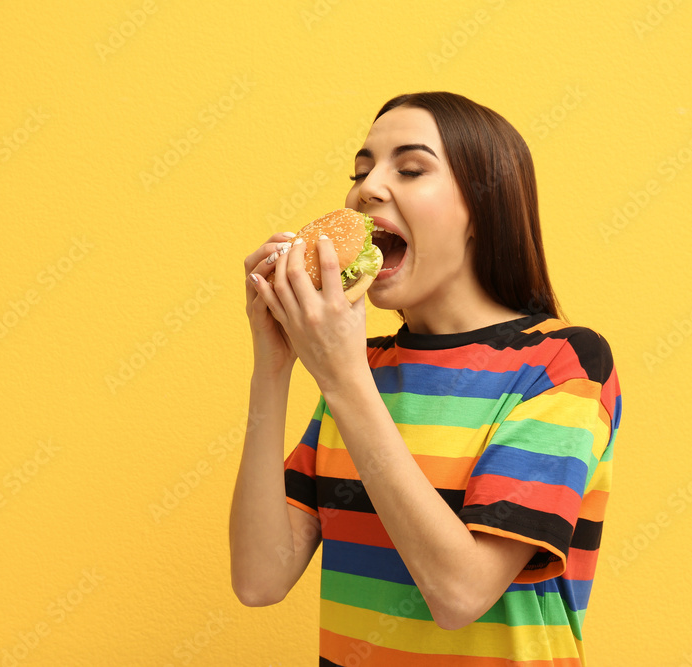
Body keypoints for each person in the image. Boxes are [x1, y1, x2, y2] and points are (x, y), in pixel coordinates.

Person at [229, 92, 622, 666]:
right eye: (361, 172)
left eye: (410, 169)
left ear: (483, 209)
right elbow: (258, 580)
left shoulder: (562, 362)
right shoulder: (361, 373)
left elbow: (460, 594)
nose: (367, 189)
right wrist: (274, 365)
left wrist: (342, 377)